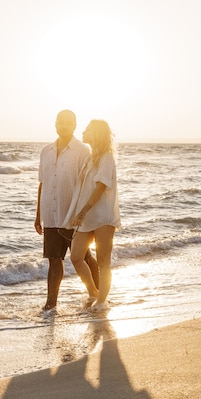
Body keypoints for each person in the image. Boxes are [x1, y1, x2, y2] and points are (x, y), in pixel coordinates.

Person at [35, 110, 99, 311]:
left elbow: (88, 184)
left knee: (84, 256)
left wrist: (85, 213)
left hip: (74, 215)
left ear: (74, 125)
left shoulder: (82, 151)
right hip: (51, 214)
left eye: (68, 123)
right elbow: (42, 184)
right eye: (60, 122)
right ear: (55, 124)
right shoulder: (45, 151)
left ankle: (98, 294)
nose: (64, 126)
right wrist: (38, 215)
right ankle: (51, 303)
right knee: (54, 260)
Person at [68, 119, 120, 311]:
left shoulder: (106, 158)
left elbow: (100, 188)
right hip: (87, 217)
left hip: (103, 216)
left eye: (88, 129)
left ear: (96, 133)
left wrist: (82, 212)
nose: (83, 131)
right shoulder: (90, 159)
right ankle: (93, 292)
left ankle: (101, 302)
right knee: (75, 257)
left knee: (103, 260)